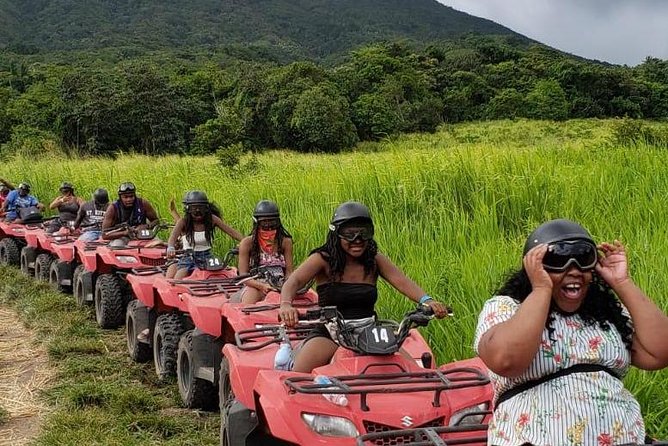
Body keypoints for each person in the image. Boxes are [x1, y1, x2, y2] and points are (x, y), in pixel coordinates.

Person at [474, 219, 668, 446]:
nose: (574, 270)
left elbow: (660, 352)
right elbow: (506, 360)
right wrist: (541, 289)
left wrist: (622, 282)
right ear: (535, 269)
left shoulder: (606, 316)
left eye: (583, 260)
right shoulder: (507, 308)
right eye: (559, 262)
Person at [278, 201, 449, 373]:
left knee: (415, 375)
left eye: (363, 233)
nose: (357, 240)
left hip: (370, 334)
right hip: (330, 333)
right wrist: (286, 304)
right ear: (336, 233)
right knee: (297, 381)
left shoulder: (374, 260)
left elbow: (402, 281)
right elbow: (294, 282)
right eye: (349, 234)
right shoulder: (322, 259)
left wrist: (428, 301)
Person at [165, 190, 243, 279]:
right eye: (194, 208)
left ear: (206, 208)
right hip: (188, 257)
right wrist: (170, 247)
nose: (198, 211)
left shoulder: (212, 219)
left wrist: (246, 241)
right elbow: (172, 238)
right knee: (178, 280)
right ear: (188, 209)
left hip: (207, 257)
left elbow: (232, 232)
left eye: (201, 208)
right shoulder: (183, 222)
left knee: (224, 277)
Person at [237, 200, 294, 304]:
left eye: (272, 222)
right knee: (248, 304)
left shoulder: (286, 242)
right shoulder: (247, 243)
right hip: (256, 285)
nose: (268, 226)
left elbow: (289, 271)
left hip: (280, 284)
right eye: (264, 223)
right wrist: (261, 286)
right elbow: (243, 275)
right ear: (257, 223)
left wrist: (286, 285)